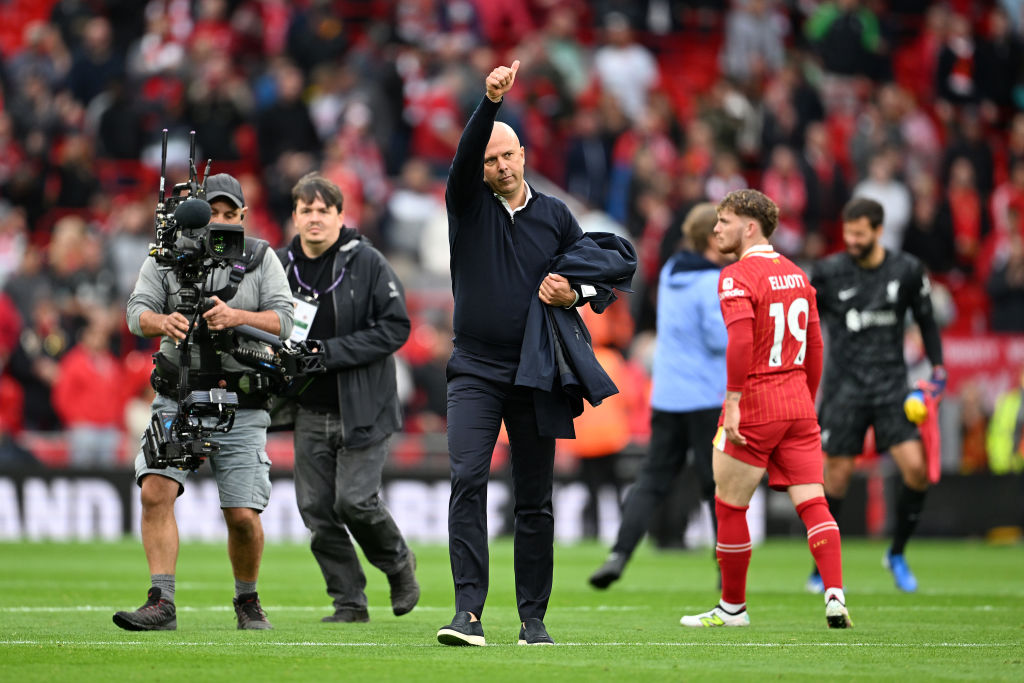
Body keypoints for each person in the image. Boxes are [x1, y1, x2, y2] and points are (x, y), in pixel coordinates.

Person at [436, 61, 634, 647]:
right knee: (467, 478)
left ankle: (532, 619)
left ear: (523, 155)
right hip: (473, 366)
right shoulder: (465, 205)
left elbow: (605, 270)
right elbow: (464, 156)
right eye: (491, 159)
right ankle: (467, 613)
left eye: (508, 156)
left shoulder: (555, 216)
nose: (500, 165)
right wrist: (490, 103)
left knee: (534, 499)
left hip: (536, 369)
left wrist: (579, 292)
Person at [114, 173, 294, 631]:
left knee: (242, 517)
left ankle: (247, 599)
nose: (220, 222)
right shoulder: (166, 257)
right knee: (156, 489)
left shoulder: (260, 257)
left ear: (242, 216)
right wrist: (162, 321)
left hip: (242, 401)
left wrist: (237, 316)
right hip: (178, 395)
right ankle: (162, 600)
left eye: (229, 214)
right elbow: (136, 313)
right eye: (212, 213)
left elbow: (285, 320)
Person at [680, 189, 852, 629]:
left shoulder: (736, 276)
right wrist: (805, 401)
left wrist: (734, 401)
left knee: (730, 506)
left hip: (754, 403)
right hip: (797, 404)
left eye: (723, 220)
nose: (715, 229)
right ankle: (834, 593)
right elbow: (815, 348)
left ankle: (732, 608)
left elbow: (740, 341)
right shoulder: (799, 276)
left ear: (749, 226)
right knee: (814, 503)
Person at [275, 172, 419, 623]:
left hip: (364, 406)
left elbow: (397, 327)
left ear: (341, 215)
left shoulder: (368, 262)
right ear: (294, 216)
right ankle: (349, 602)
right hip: (308, 408)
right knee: (317, 511)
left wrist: (330, 353)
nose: (315, 218)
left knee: (355, 502)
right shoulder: (278, 266)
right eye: (306, 210)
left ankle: (397, 563)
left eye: (324, 210)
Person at [807, 197, 946, 594]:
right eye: (848, 233)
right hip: (844, 387)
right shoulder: (829, 272)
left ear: (879, 231)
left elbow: (927, 322)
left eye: (859, 234)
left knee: (916, 470)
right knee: (837, 476)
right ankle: (822, 566)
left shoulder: (906, 270)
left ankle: (897, 553)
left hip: (891, 387)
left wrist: (938, 369)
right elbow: (806, 319)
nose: (851, 240)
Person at [589, 203, 729, 589]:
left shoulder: (670, 273)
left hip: (668, 395)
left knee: (652, 479)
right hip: (705, 396)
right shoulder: (713, 282)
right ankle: (726, 571)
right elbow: (720, 339)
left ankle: (619, 553)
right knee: (715, 484)